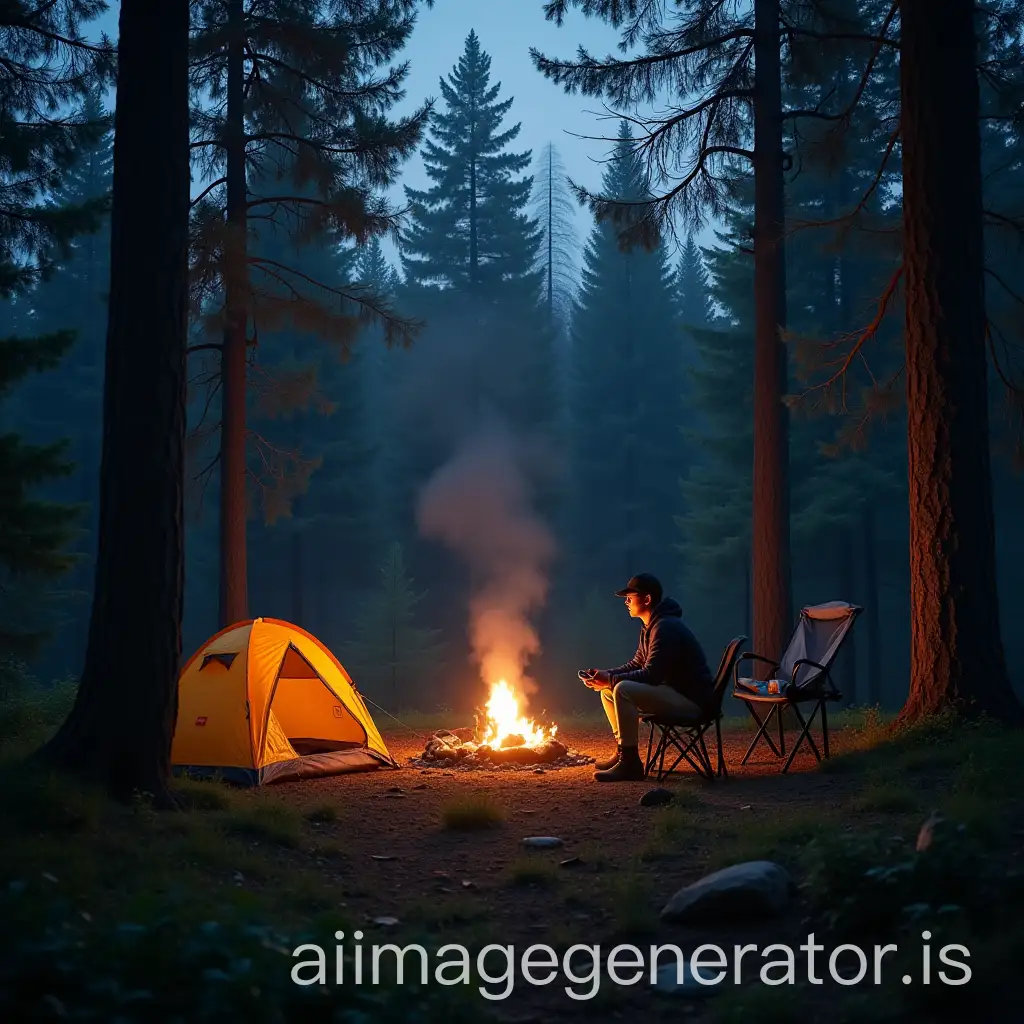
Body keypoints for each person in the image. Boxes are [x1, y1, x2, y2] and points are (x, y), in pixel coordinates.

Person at [580, 573, 714, 782]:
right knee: (608, 692)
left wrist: (612, 679)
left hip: (692, 702)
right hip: (674, 693)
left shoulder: (665, 627)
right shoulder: (651, 626)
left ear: (647, 599)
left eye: (630, 597)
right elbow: (636, 664)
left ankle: (630, 764)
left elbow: (652, 675)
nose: (626, 602)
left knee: (622, 689)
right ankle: (624, 751)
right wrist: (606, 676)